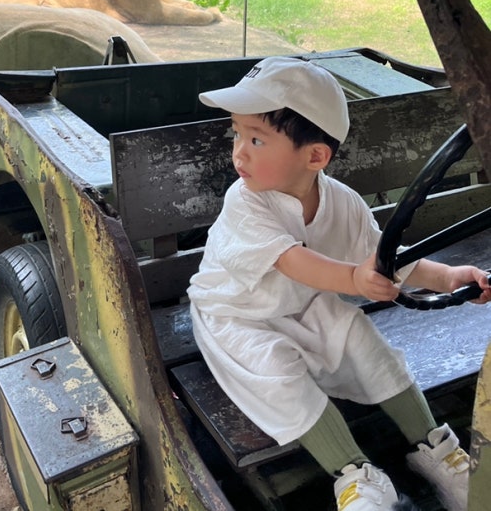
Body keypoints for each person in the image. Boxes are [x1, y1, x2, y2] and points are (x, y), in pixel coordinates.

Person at [187, 56, 491, 511]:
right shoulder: (244, 204)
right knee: (279, 373)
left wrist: (447, 277)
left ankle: (438, 451)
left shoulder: (343, 202)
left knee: (364, 339)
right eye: (237, 134)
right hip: (238, 315)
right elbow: (291, 260)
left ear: (315, 156)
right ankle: (355, 476)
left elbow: (383, 258)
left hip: (305, 305)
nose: (239, 152)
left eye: (256, 138)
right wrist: (353, 278)